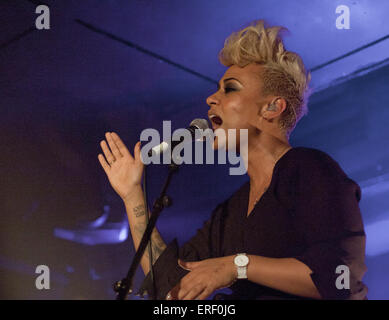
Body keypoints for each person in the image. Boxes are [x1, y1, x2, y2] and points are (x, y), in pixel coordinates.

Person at [98, 20, 368, 300]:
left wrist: (237, 265)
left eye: (230, 89)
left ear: (272, 107)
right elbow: (171, 287)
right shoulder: (230, 212)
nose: (210, 99)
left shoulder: (309, 169)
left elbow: (340, 277)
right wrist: (132, 196)